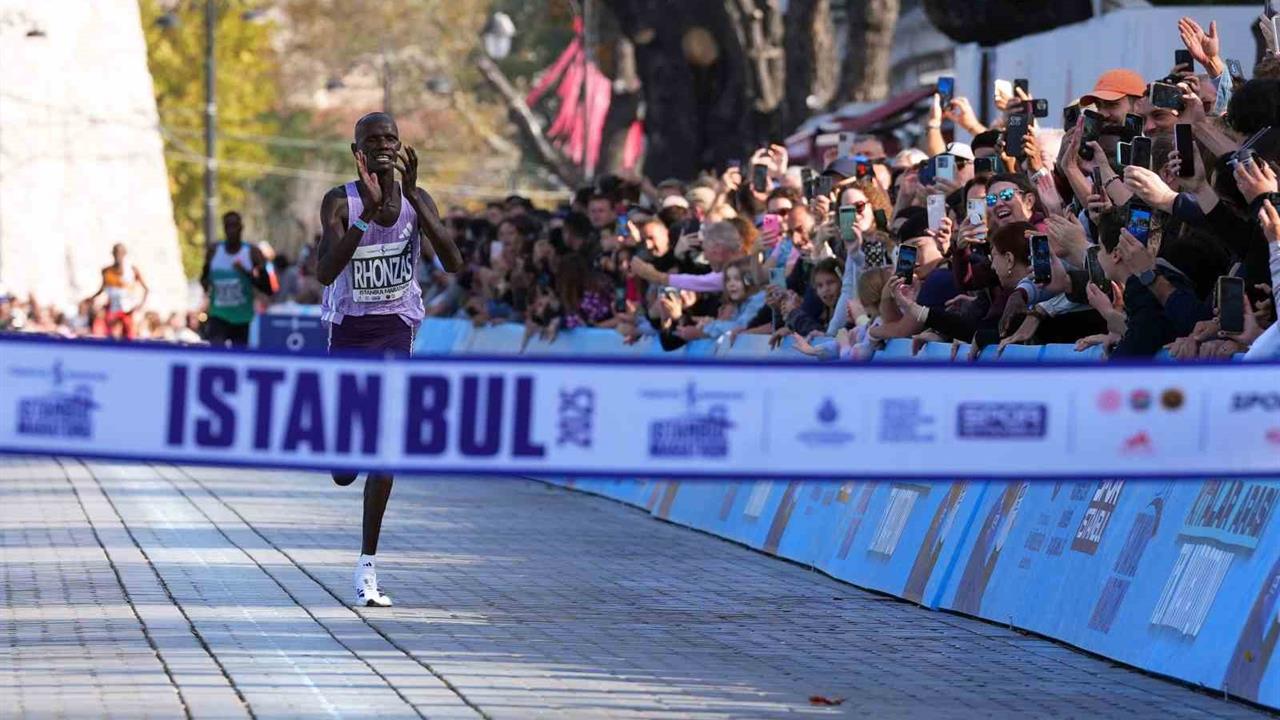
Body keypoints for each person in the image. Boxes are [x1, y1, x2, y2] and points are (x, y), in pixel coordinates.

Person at [316, 111, 463, 607]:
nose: (384, 146)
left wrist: (419, 204)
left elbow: (454, 263)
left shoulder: (419, 201)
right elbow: (325, 270)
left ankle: (367, 566)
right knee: (342, 470)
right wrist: (364, 217)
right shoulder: (340, 201)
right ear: (357, 151)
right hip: (348, 331)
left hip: (396, 328)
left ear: (401, 148)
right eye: (373, 140)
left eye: (391, 139)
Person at [200, 212, 277, 347]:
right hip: (218, 314)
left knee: (239, 354)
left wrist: (246, 273)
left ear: (241, 228)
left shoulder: (252, 253)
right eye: (228, 226)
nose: (231, 230)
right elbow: (204, 278)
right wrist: (207, 288)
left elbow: (267, 288)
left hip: (242, 317)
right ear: (223, 228)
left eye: (234, 226)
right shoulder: (214, 251)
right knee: (216, 352)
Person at [85, 243, 148, 339]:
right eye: (116, 253)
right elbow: (102, 289)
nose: (118, 256)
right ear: (113, 254)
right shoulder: (107, 271)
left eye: (120, 253)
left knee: (129, 336)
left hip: (128, 310)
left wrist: (140, 305)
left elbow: (146, 289)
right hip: (113, 308)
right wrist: (91, 298)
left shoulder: (132, 270)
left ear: (125, 254)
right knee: (110, 334)